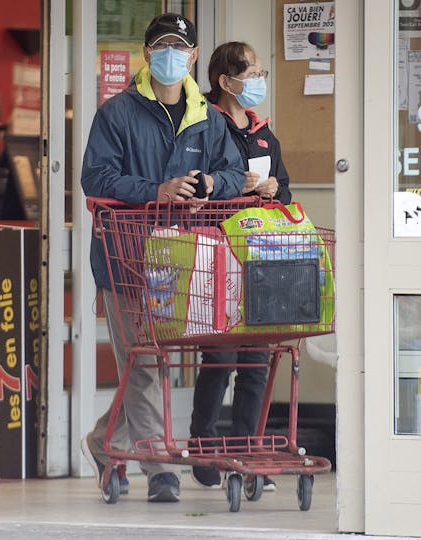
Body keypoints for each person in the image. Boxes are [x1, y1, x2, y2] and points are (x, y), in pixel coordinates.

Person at [79, 13, 245, 503]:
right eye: (161, 46)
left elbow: (233, 172)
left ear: (193, 56)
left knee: (146, 364)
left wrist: (213, 184)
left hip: (186, 261)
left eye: (180, 47)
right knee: (147, 362)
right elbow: (97, 178)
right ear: (147, 54)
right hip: (126, 258)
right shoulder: (117, 114)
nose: (171, 55)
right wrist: (157, 191)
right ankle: (160, 470)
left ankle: (104, 444)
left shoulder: (209, 119)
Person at [189, 41, 292, 491]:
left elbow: (286, 191)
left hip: (261, 255)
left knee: (256, 357)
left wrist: (272, 189)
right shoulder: (205, 125)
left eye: (261, 72)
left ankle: (247, 450)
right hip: (216, 252)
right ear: (226, 81)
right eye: (252, 73)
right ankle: (204, 448)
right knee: (222, 356)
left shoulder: (264, 132)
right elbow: (197, 183)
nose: (259, 82)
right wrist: (234, 186)